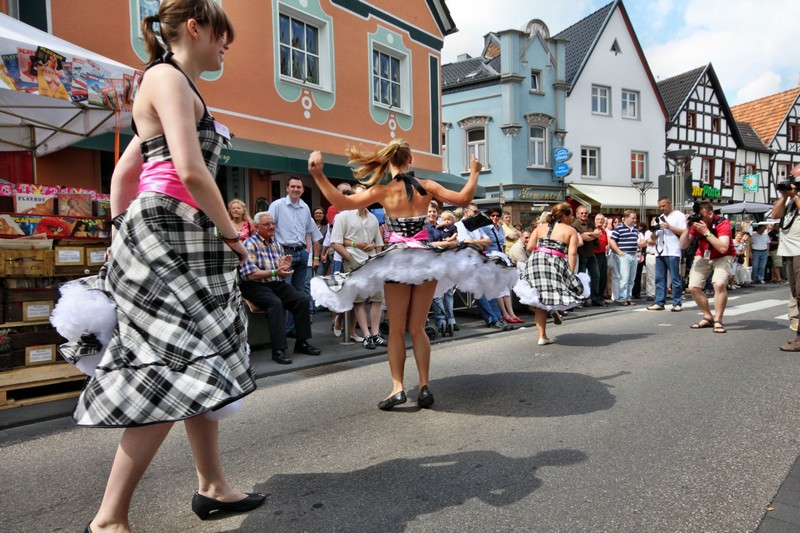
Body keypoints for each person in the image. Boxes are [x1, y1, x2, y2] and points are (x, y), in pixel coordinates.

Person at [73, 3, 265, 531]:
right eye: (222, 35)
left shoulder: (169, 82)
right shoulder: (166, 77)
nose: (226, 46)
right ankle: (109, 519)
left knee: (193, 361)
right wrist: (233, 236)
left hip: (171, 232)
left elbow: (124, 174)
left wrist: (121, 232)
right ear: (196, 28)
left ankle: (213, 485)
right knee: (169, 367)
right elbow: (191, 171)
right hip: (172, 232)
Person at [309, 140, 517, 410]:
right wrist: (475, 172)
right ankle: (424, 384)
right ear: (410, 160)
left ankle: (397, 388)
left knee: (396, 329)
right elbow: (464, 199)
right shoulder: (426, 186)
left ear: (388, 162)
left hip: (397, 260)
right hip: (425, 260)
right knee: (417, 328)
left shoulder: (383, 190)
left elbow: (342, 202)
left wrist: (318, 175)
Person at [239, 212, 321, 364]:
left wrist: (284, 271)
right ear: (257, 227)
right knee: (275, 303)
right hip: (254, 285)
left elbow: (279, 275)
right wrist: (275, 272)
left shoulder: (276, 245)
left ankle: (302, 343)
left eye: (273, 224)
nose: (271, 227)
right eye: (267, 224)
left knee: (302, 300)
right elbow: (250, 275)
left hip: (274, 282)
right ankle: (278, 350)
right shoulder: (250, 244)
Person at [513, 202, 588, 345]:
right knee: (559, 290)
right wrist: (571, 273)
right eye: (571, 215)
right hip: (555, 261)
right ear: (565, 216)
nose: (572, 218)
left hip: (536, 261)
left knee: (539, 298)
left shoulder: (540, 227)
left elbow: (530, 247)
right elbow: (572, 254)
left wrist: (543, 248)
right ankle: (553, 309)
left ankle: (542, 336)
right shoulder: (570, 230)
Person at [329, 184, 386, 348]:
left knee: (377, 298)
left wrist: (376, 255)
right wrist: (350, 258)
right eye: (361, 195)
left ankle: (375, 334)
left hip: (371, 261)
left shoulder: (373, 218)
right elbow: (335, 242)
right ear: (353, 197)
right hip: (353, 260)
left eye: (366, 195)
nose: (364, 198)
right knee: (359, 300)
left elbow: (379, 242)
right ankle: (366, 335)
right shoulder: (343, 216)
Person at [268, 177, 322, 336]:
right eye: (293, 186)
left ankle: (291, 328)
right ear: (287, 188)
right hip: (284, 253)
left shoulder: (305, 208)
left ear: (303, 190)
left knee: (299, 294)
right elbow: (269, 229)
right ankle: (283, 329)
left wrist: (307, 250)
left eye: (299, 187)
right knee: (285, 291)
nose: (295, 189)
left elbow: (308, 231)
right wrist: (276, 253)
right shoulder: (277, 205)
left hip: (301, 252)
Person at [679, 201, 736, 334]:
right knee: (693, 287)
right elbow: (683, 245)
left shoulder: (722, 222)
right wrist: (687, 228)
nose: (700, 219)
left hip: (723, 255)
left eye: (702, 216)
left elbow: (723, 248)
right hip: (704, 255)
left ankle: (718, 320)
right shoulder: (697, 224)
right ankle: (708, 316)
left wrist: (706, 232)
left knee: (719, 284)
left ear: (710, 214)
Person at [456, 204, 513, 330]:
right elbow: (467, 242)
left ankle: (499, 318)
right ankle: (492, 320)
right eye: (475, 211)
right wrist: (479, 243)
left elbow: (488, 242)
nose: (477, 214)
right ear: (466, 212)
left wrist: (476, 242)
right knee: (480, 291)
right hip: (467, 261)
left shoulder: (476, 226)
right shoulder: (459, 225)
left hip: (480, 259)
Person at [773, 164, 800, 351]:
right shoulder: (790, 199)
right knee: (796, 294)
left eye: (795, 178)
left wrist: (796, 195)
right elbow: (776, 214)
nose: (792, 181)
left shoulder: (797, 197)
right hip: (790, 250)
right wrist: (784, 196)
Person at [484, 206, 523, 324]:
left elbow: (504, 244)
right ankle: (505, 314)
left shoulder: (500, 228)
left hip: (501, 258)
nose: (495, 217)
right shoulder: (486, 228)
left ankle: (511, 313)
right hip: (491, 259)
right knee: (498, 287)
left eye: (497, 215)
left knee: (506, 287)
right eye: (492, 215)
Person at [647, 197, 686, 312]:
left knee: (675, 278)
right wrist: (653, 230)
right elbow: (654, 237)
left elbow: (685, 232)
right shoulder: (659, 218)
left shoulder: (679, 215)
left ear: (670, 204)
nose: (661, 208)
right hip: (660, 251)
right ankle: (659, 302)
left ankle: (677, 302)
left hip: (673, 251)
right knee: (659, 279)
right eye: (659, 206)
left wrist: (670, 227)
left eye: (663, 206)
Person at [608, 210, 643, 306]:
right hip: (624, 254)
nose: (635, 220)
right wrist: (619, 252)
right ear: (626, 218)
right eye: (633, 218)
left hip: (633, 254)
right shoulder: (619, 228)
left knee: (631, 278)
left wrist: (639, 249)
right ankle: (622, 298)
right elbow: (612, 241)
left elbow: (634, 241)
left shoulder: (635, 229)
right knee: (624, 277)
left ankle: (628, 297)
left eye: (635, 218)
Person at [571, 205, 603, 307]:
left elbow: (599, 233)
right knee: (581, 278)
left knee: (596, 276)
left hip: (591, 254)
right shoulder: (574, 225)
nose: (584, 214)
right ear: (577, 214)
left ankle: (595, 298)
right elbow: (582, 238)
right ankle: (582, 299)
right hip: (581, 254)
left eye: (586, 213)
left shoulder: (590, 223)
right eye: (582, 213)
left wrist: (588, 234)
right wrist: (592, 234)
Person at [593, 213, 609, 306]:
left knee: (603, 277)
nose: (600, 221)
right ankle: (595, 298)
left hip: (603, 255)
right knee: (597, 277)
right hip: (595, 255)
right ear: (595, 221)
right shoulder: (593, 230)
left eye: (602, 219)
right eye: (598, 219)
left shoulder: (604, 231)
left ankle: (601, 296)